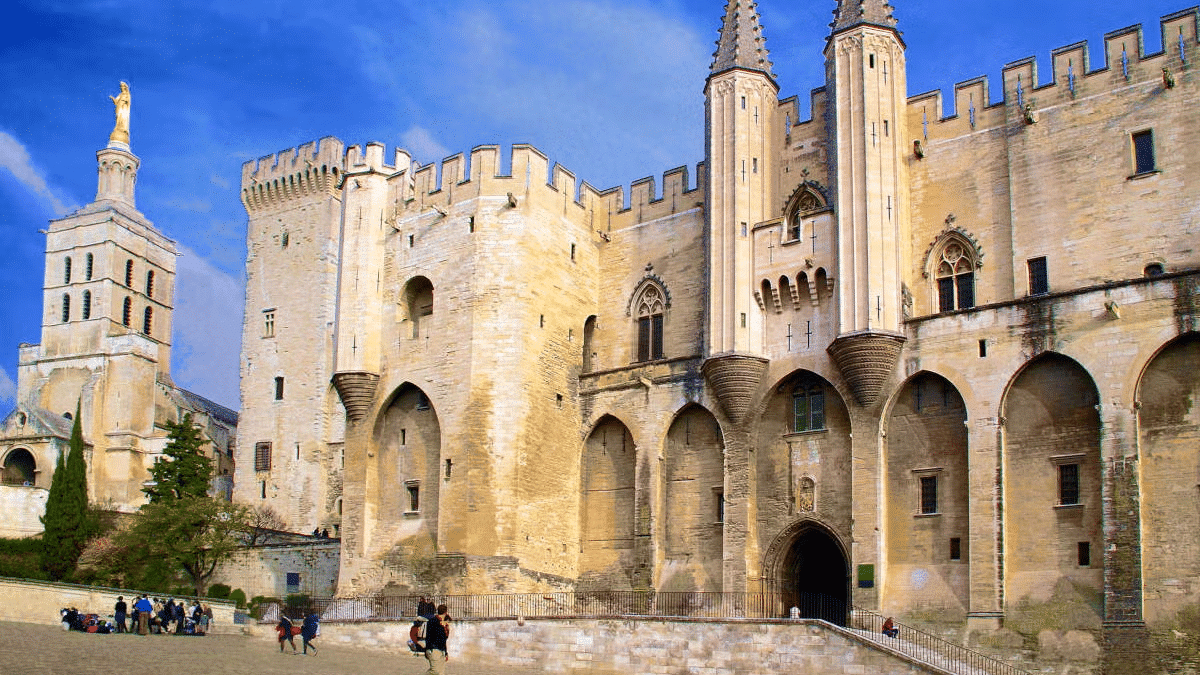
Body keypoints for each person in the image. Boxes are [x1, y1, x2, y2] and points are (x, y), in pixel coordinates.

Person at [424, 604, 450, 674]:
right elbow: (431, 636)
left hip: (441, 649)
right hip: (434, 649)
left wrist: (445, 652)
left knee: (441, 672)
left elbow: (444, 639)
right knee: (435, 671)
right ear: (445, 612)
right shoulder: (433, 621)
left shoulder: (443, 623)